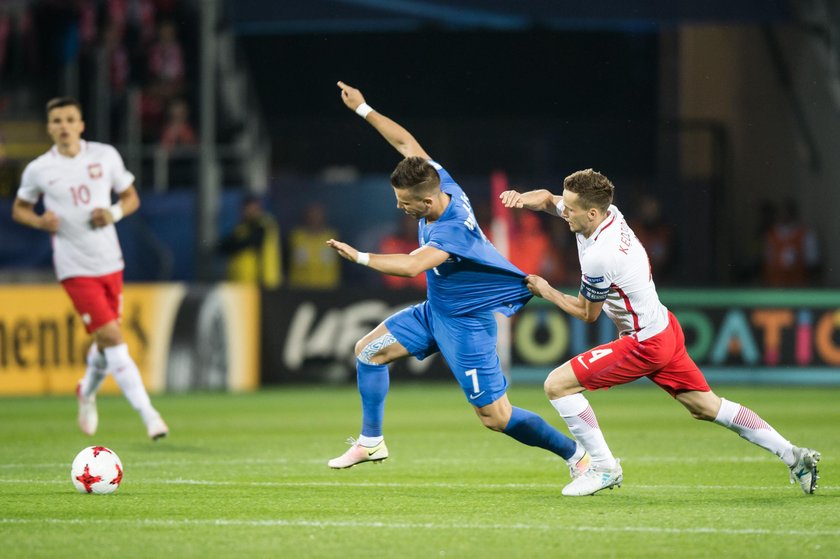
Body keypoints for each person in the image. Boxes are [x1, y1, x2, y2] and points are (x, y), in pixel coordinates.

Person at [325, 81, 588, 487]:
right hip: (437, 312)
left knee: (496, 418)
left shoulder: (451, 233)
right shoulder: (440, 181)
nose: (400, 207)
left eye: (404, 203)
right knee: (368, 352)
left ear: (426, 203)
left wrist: (359, 256)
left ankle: (578, 455)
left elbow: (413, 267)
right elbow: (405, 141)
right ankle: (371, 440)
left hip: (467, 324)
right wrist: (363, 109)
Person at [500, 170, 821, 496]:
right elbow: (545, 199)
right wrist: (521, 198)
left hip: (643, 342)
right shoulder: (608, 214)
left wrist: (546, 290)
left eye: (570, 208)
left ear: (592, 213)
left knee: (557, 385)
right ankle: (793, 455)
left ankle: (603, 467)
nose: (563, 212)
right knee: (708, 406)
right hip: (663, 326)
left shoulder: (601, 255)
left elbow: (586, 313)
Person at [12, 97, 169, 441]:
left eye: (70, 119)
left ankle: (86, 390)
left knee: (104, 341)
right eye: (57, 121)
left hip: (110, 261)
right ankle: (149, 415)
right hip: (74, 266)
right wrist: (40, 222)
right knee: (113, 337)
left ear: (81, 125)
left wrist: (112, 214)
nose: (64, 126)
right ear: (49, 127)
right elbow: (19, 209)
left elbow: (131, 198)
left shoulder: (105, 156)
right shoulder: (39, 169)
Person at [217, 194, 282, 288]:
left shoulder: (264, 225)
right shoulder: (242, 227)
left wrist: (234, 245)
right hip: (240, 281)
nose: (245, 211)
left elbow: (249, 242)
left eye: (249, 208)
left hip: (260, 281)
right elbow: (223, 246)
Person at [288, 203, 340, 290]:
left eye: (318, 214)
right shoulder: (296, 236)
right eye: (311, 214)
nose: (314, 218)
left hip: (327, 288)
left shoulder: (332, 237)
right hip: (300, 287)